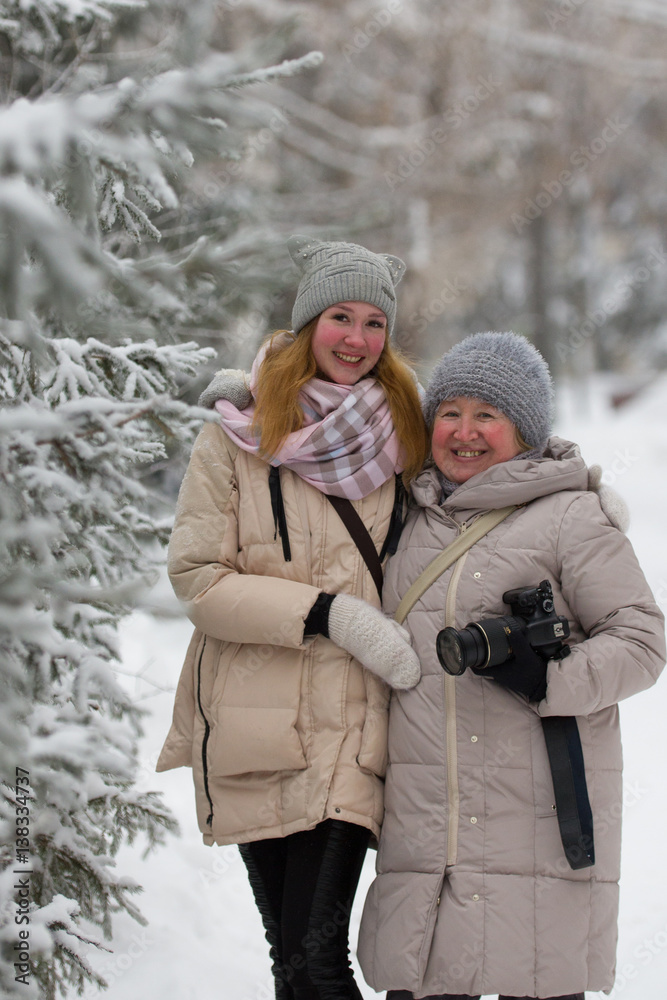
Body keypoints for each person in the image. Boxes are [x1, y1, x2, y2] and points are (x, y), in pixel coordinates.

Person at [156, 235, 430, 1000]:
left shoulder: (407, 431)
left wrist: (578, 487)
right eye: (340, 316)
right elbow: (198, 579)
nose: (357, 338)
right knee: (289, 960)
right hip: (253, 724)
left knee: (318, 958)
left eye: (375, 322)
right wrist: (329, 615)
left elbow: (491, 466)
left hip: (353, 725)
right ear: (308, 322)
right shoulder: (235, 436)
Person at [357, 331, 666, 1000]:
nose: (464, 432)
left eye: (486, 415)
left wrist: (548, 678)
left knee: (535, 980)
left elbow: (642, 641)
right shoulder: (405, 516)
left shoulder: (570, 517)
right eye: (449, 412)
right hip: (427, 827)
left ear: (524, 430)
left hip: (536, 822)